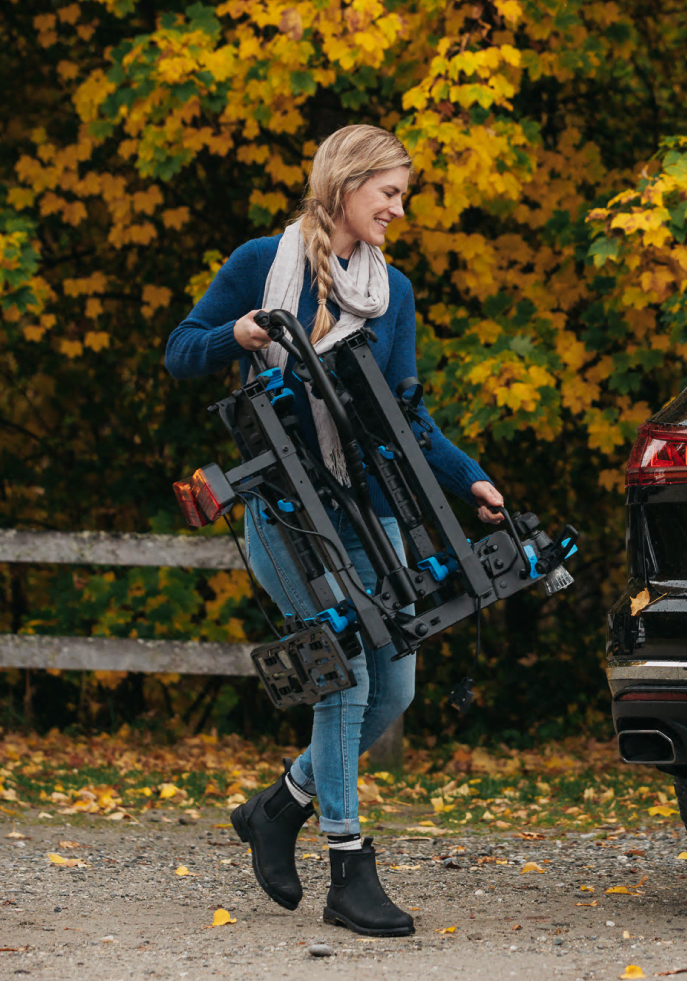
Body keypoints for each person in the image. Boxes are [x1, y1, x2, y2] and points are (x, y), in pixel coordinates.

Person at [165, 124, 503, 937]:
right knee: (344, 676)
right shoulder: (260, 263)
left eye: (402, 194)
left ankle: (278, 807)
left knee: (396, 687)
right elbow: (180, 351)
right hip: (288, 514)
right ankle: (348, 868)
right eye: (388, 191)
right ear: (345, 184)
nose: (397, 207)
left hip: (369, 509)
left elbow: (406, 417)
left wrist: (472, 479)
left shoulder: (396, 292)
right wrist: (236, 335)